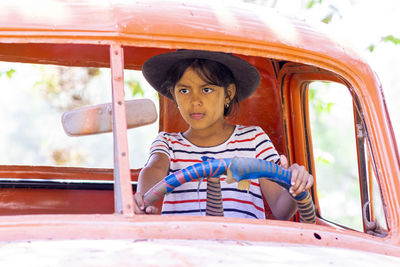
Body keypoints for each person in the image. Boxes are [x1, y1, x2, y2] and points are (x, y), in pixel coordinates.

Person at [134, 49, 313, 220]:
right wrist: (141, 197)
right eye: (184, 90)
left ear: (228, 94)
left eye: (206, 89)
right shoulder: (167, 143)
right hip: (184, 248)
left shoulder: (254, 140)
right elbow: (154, 168)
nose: (195, 101)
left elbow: (281, 210)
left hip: (240, 249)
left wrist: (295, 184)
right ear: (173, 94)